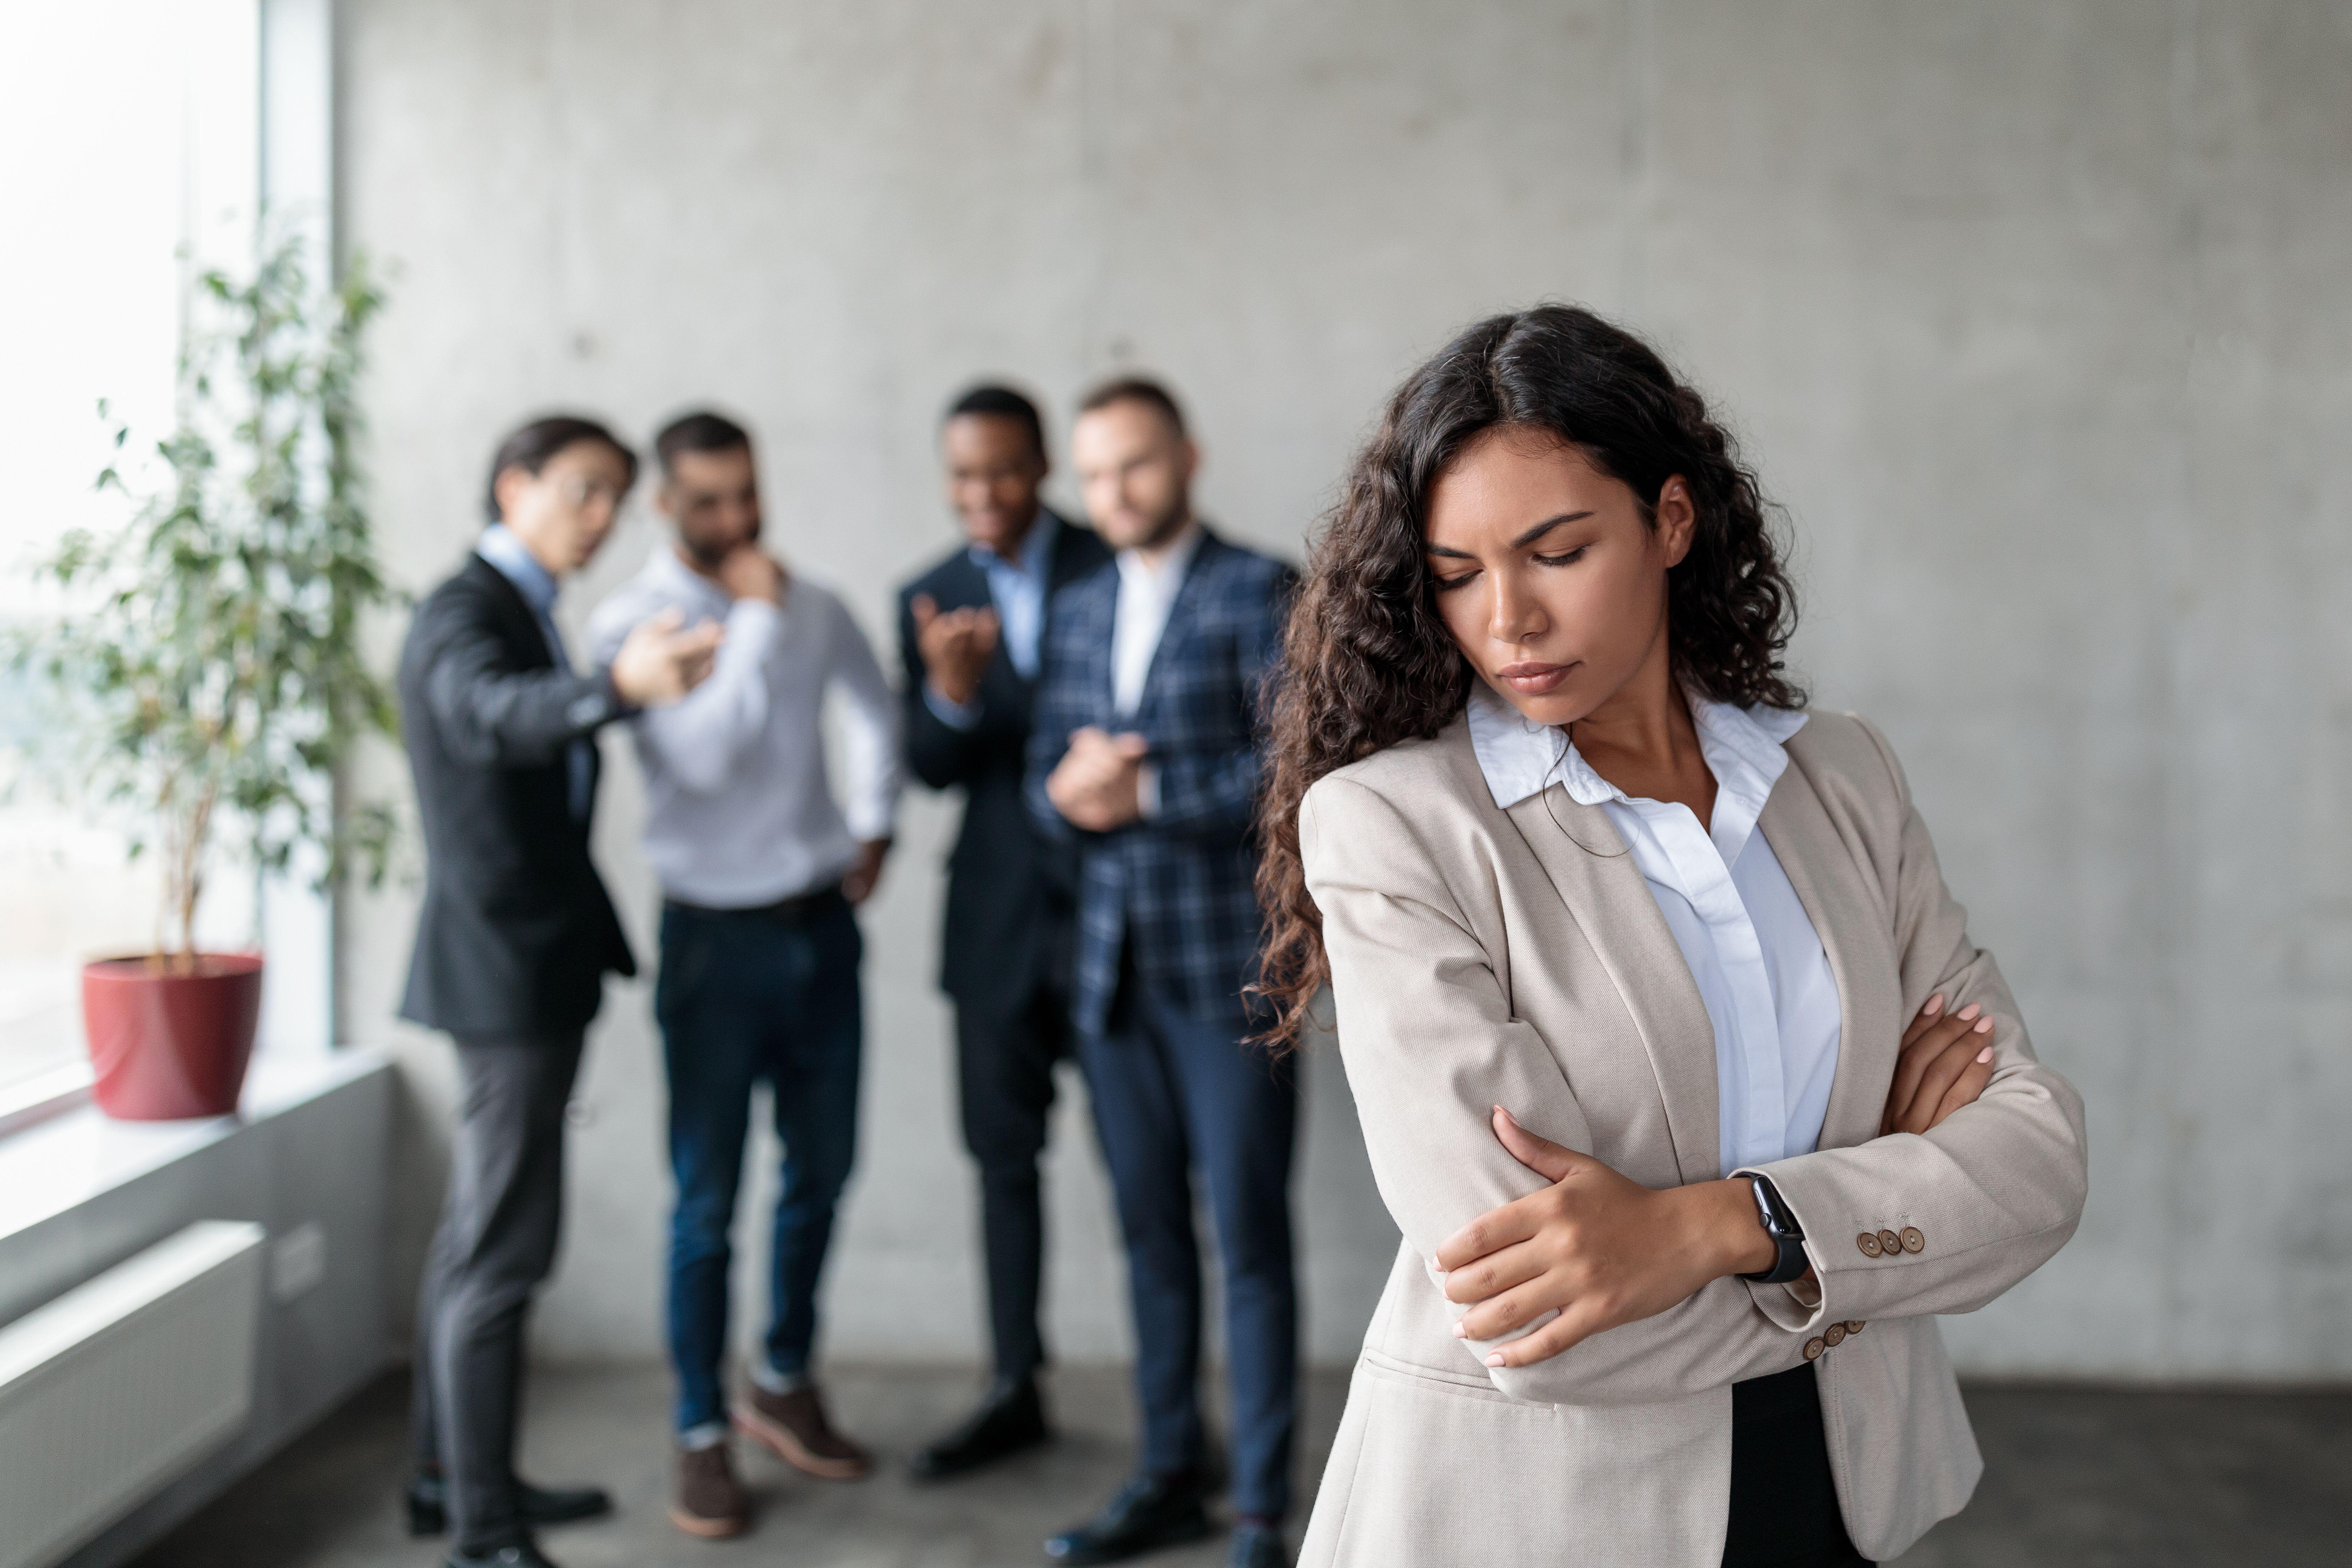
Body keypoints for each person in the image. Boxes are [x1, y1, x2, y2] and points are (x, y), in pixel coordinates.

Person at [1252, 306, 2090, 1567]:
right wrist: (1876, 1235)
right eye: (1459, 573)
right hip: (1537, 1516)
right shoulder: (1392, 826)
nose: (1509, 621)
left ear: (1673, 522)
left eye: (1557, 551)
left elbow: (2034, 1166)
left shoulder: (1843, 777)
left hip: (1846, 1487)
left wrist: (1714, 1228)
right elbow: (1541, 1319)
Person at [400, 415, 724, 1568]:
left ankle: (452, 1483)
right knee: (503, 1254)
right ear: (514, 486)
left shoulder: (520, 604)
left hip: (525, 970)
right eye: (582, 491)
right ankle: (483, 1530)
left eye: (613, 498)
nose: (600, 518)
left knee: (476, 1241)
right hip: (503, 979)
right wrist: (615, 687)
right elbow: (494, 714)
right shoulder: (463, 612)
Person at [584, 410, 902, 1539]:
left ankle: (781, 1380)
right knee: (707, 1204)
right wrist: (757, 616)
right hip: (711, 946)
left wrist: (875, 823)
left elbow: (873, 705)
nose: (737, 519)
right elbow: (708, 758)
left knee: (822, 1174)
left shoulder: (812, 604)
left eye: (747, 494)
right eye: (709, 502)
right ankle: (699, 1432)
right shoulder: (634, 626)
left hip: (822, 931)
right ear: (668, 508)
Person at [1026, 378, 1301, 1568]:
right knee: (1147, 1240)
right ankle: (1167, 1475)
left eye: (1133, 466)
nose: (1114, 493)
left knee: (1246, 1239)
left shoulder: (1260, 590)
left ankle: (1259, 1510)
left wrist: (1144, 794)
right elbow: (1050, 774)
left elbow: (1299, 773)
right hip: (1112, 980)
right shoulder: (1079, 607)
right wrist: (1065, 794)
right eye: (1093, 475)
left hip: (1232, 974)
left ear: (1185, 456)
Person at [895, 385, 1113, 1479]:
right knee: (1001, 1166)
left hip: (1117, 922)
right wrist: (948, 698)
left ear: (1042, 468)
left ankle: (1174, 1411)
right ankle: (1012, 1384)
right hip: (992, 932)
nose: (983, 496)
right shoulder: (929, 595)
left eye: (1003, 473)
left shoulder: (1110, 561)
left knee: (1146, 1173)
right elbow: (927, 769)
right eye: (963, 476)